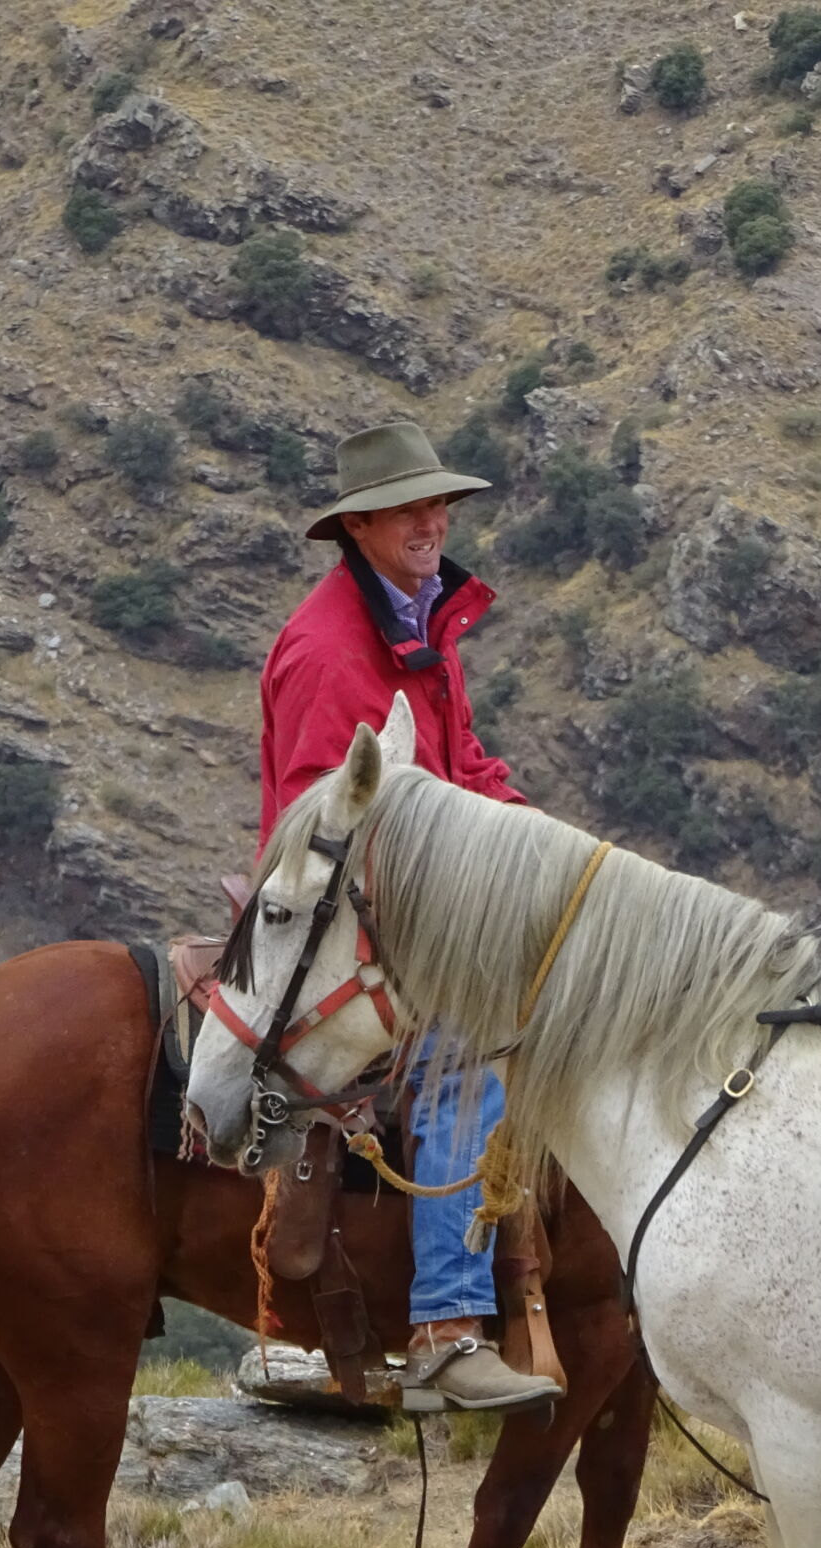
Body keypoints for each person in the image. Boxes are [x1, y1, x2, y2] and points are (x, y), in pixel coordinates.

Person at [257, 420, 560, 1414]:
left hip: (423, 900)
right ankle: (446, 1321)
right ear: (362, 524)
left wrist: (545, 852)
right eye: (413, 507)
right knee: (464, 1051)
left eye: (442, 504)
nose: (436, 521)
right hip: (348, 922)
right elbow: (323, 828)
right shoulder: (325, 652)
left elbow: (465, 770)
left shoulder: (420, 623)